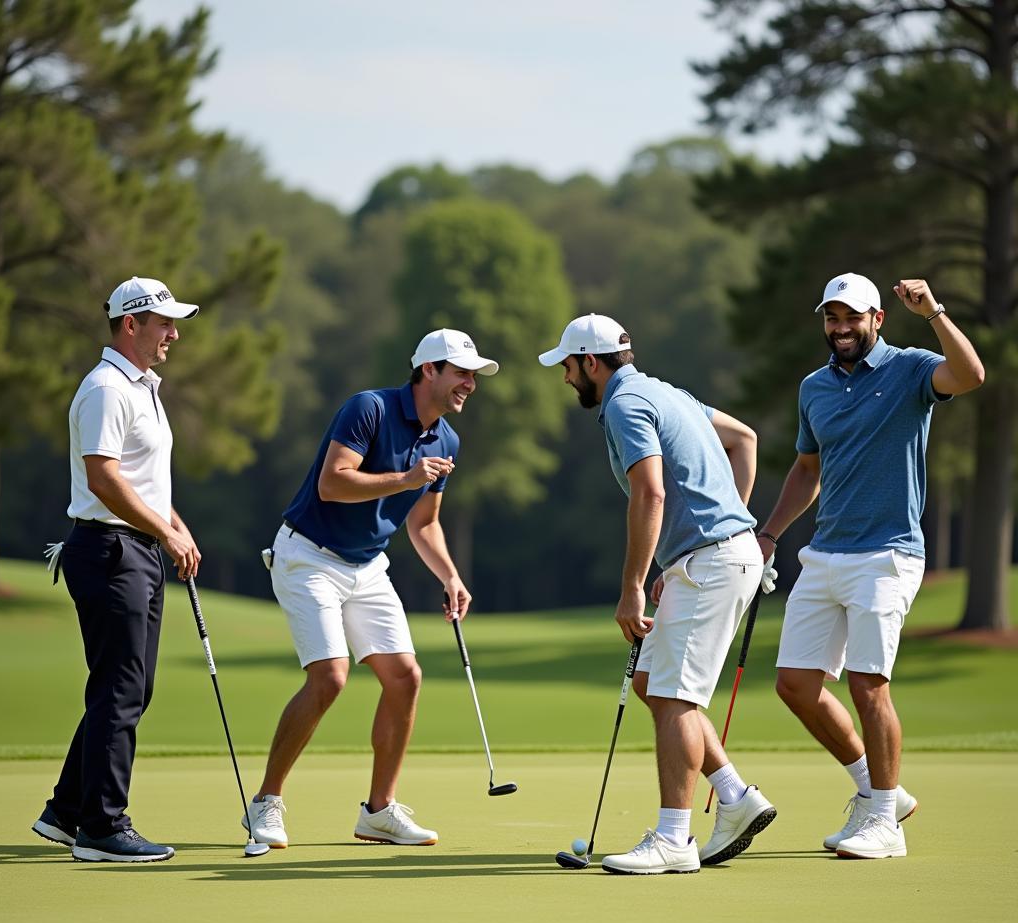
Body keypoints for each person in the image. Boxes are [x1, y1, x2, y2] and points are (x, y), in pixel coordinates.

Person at [538, 314, 777, 875]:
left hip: (712, 561)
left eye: (569, 367)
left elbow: (649, 492)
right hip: (718, 555)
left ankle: (674, 838)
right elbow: (745, 439)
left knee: (674, 699)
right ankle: (736, 797)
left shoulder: (623, 405)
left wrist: (632, 588)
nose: (567, 378)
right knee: (652, 683)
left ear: (591, 363)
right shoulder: (666, 392)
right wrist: (725, 523)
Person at [756, 274, 984, 859]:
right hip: (825, 552)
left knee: (867, 684)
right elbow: (807, 468)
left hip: (887, 554)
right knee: (796, 684)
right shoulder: (815, 387)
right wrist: (771, 532)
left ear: (877, 319)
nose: (840, 329)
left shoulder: (910, 369)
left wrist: (933, 311)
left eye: (851, 318)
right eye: (831, 318)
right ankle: (877, 792)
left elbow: (971, 375)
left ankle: (886, 824)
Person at [247, 328, 497, 849]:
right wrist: (405, 478)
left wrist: (450, 574)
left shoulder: (446, 440)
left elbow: (424, 524)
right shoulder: (370, 409)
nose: (470, 384)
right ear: (429, 369)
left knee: (405, 677)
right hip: (308, 555)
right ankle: (266, 804)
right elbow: (332, 483)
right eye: (461, 373)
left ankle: (378, 811)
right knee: (330, 678)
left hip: (366, 566)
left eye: (474, 376)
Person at [33, 276, 202, 863]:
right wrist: (164, 533)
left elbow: (142, 479)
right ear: (130, 324)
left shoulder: (142, 387)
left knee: (129, 687)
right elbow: (104, 477)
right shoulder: (107, 387)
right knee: (121, 689)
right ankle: (103, 827)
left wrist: (174, 528)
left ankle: (66, 811)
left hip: (136, 549)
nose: (173, 334)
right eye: (164, 324)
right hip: (110, 551)